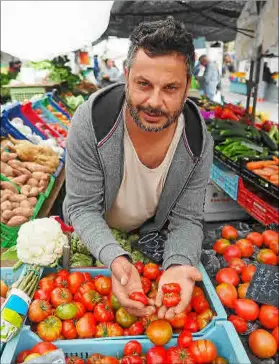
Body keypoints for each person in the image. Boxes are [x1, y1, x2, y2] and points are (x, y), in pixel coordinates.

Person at [63, 17, 214, 320]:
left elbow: (187, 218)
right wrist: (114, 259)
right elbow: (81, 206)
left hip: (149, 237)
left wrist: (179, 264)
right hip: (94, 233)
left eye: (171, 88)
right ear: (127, 74)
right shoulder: (92, 122)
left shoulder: (198, 142)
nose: (154, 102)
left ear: (187, 87)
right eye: (143, 84)